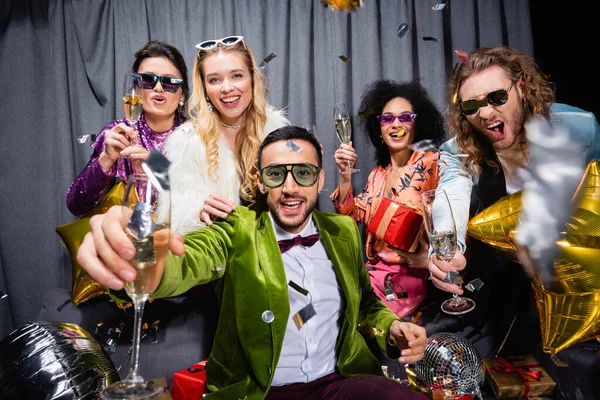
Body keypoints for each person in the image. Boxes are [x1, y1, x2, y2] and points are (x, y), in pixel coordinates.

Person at [78, 126, 429, 400]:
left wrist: (393, 329)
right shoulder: (237, 229)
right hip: (259, 391)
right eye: (276, 174)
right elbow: (185, 262)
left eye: (303, 174)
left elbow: (366, 303)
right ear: (261, 182)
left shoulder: (344, 230)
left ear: (321, 180)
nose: (290, 187)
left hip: (339, 384)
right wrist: (135, 256)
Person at [429, 45, 600, 355]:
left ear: (521, 88)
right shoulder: (458, 149)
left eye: (496, 97)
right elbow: (449, 196)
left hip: (572, 291)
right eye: (472, 105)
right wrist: (446, 250)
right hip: (501, 296)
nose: (484, 113)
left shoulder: (581, 129)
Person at [331, 80, 447, 318]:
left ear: (417, 125)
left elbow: (456, 218)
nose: (396, 124)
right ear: (380, 131)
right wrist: (344, 173)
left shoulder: (432, 162)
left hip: (409, 281)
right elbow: (348, 218)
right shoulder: (377, 175)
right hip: (372, 275)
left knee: (349, 316)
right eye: (387, 119)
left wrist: (431, 259)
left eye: (405, 117)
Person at [162, 35, 289, 235]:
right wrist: (198, 212)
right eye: (214, 79)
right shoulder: (185, 143)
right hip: (222, 258)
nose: (227, 88)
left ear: (252, 79)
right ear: (204, 88)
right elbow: (173, 217)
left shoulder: (277, 131)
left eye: (237, 75)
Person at [67, 40, 189, 216]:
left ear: (182, 94)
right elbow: (75, 205)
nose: (158, 87)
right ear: (137, 89)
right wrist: (106, 160)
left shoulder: (195, 136)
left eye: (169, 82)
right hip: (126, 237)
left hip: (181, 237)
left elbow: (198, 200)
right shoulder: (118, 133)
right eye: (148, 80)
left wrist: (154, 167)